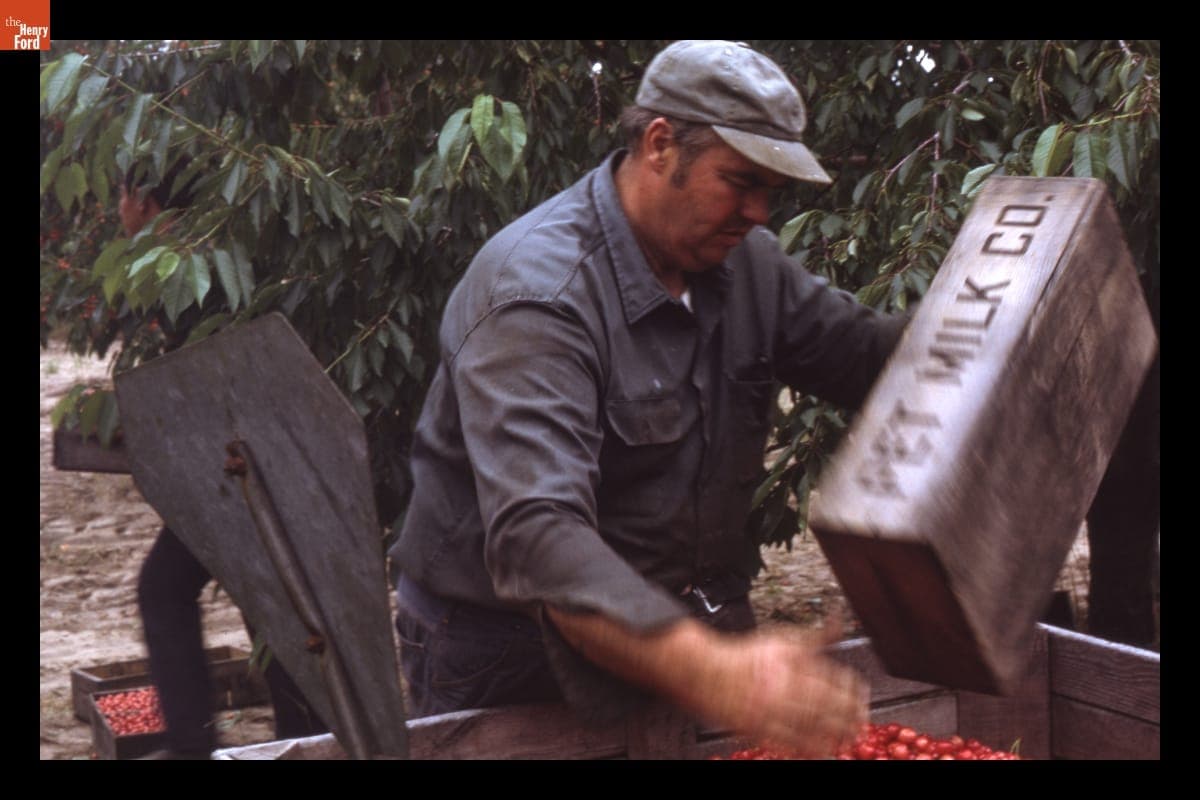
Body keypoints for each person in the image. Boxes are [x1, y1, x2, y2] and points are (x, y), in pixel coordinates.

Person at [388, 40, 908, 757]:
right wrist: (714, 669)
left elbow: (868, 357)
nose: (758, 212)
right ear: (660, 145)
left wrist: (1006, 320)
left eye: (773, 191)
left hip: (676, 629)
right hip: (509, 650)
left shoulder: (743, 264)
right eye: (741, 181)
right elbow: (540, 536)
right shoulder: (537, 296)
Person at [117, 164, 329, 759]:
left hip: (242, 464)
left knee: (177, 589)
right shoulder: (218, 249)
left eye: (121, 196)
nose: (118, 211)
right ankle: (297, 739)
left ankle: (203, 743)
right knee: (265, 597)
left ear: (142, 198)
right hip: (255, 457)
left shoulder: (178, 266)